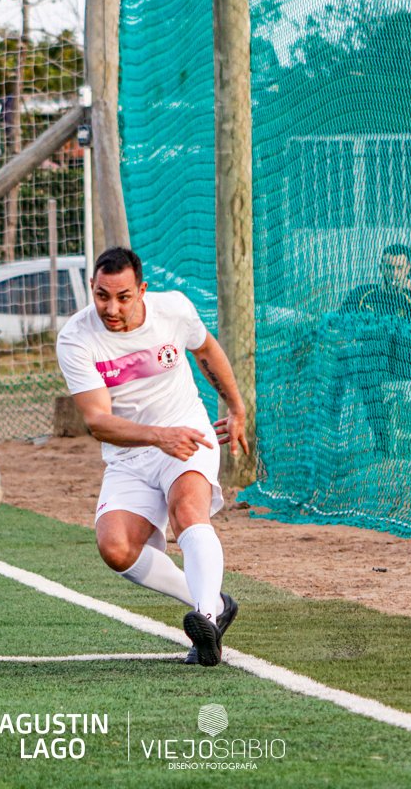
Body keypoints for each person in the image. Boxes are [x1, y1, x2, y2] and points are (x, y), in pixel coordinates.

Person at [55, 248, 250, 667]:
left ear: (142, 290)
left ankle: (206, 619)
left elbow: (206, 350)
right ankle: (213, 603)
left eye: (123, 297)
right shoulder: (76, 338)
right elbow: (98, 421)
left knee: (187, 512)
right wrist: (158, 437)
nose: (111, 308)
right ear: (91, 287)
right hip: (131, 453)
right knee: (116, 548)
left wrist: (237, 408)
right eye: (102, 296)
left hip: (187, 434)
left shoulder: (173, 310)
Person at [332, 244, 411, 457]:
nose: (393, 273)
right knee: (371, 350)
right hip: (371, 366)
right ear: (381, 268)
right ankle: (381, 440)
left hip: (402, 365)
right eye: (389, 267)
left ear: (409, 267)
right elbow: (339, 327)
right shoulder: (364, 294)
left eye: (399, 268)